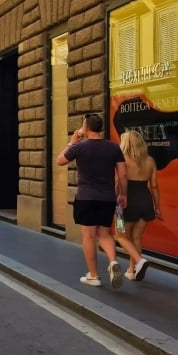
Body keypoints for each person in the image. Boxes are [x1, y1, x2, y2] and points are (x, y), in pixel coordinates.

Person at [57, 113, 127, 288]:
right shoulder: (113, 147)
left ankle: (94, 275)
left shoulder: (80, 147)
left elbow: (60, 160)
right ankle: (112, 262)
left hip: (86, 197)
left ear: (86, 128)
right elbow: (123, 174)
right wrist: (123, 194)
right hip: (108, 197)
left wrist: (72, 141)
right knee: (105, 233)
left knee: (88, 236)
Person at [118, 130, 157, 280]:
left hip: (126, 203)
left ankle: (139, 262)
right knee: (137, 238)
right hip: (145, 201)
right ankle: (132, 270)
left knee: (120, 235)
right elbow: (154, 186)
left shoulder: (122, 160)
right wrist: (157, 207)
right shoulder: (150, 161)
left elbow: (117, 181)